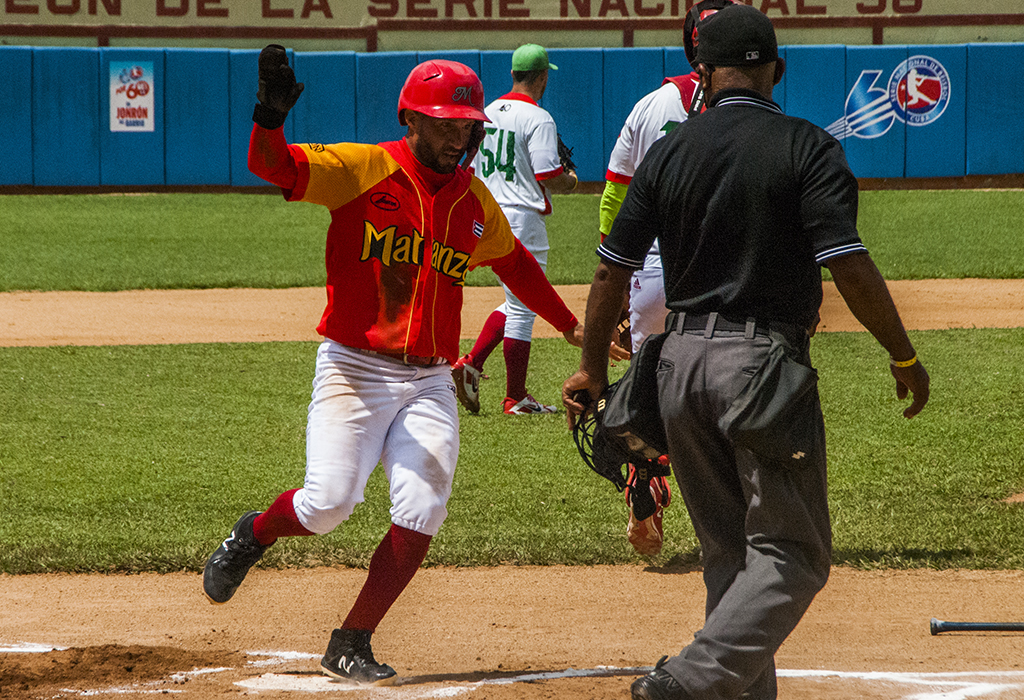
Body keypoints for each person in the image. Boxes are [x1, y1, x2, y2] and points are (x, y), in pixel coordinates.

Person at [562, 6, 930, 700]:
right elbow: (847, 262)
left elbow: (612, 268)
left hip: (677, 368)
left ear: (702, 74)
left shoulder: (668, 149)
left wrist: (592, 366)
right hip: (757, 369)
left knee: (732, 559)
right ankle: (686, 681)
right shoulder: (805, 145)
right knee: (793, 553)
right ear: (776, 71)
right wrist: (902, 354)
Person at [202, 49, 588, 687]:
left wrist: (572, 326)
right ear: (410, 118)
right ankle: (255, 533)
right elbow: (270, 165)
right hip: (355, 369)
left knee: (422, 506)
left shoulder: (473, 200)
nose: (453, 133)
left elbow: (516, 265)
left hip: (431, 378)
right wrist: (268, 120)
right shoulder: (363, 168)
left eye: (463, 124)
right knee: (327, 505)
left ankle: (352, 639)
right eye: (440, 122)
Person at [599, 0, 737, 559]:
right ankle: (733, 519)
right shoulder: (750, 108)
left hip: (652, 271)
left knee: (650, 388)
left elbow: (614, 194)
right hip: (725, 268)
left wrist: (614, 292)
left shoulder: (651, 105)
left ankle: (647, 476)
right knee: (728, 385)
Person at [452, 43, 581, 416]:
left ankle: (471, 364)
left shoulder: (487, 111)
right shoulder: (538, 118)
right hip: (523, 216)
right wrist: (571, 180)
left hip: (488, 215)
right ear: (542, 77)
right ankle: (516, 397)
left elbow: (470, 167)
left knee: (515, 300)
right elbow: (548, 175)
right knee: (524, 305)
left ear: (512, 75)